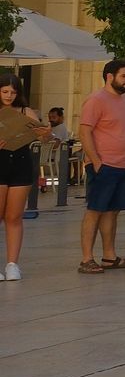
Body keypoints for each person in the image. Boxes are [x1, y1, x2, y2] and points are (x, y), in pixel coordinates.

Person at [78, 60, 125, 274]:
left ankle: (109, 256)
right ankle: (87, 259)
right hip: (104, 166)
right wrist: (95, 161)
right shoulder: (96, 100)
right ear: (109, 76)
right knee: (95, 210)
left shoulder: (123, 98)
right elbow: (84, 131)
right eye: (124, 76)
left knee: (112, 212)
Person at [0, 73, 50, 280]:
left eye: (13, 92)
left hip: (21, 162)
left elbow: (44, 137)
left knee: (14, 216)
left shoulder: (25, 111)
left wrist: (45, 132)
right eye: (4, 91)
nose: (9, 96)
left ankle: (13, 264)